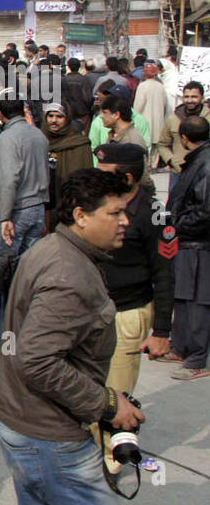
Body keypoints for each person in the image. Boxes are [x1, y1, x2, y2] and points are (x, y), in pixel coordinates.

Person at [0, 169, 140, 505]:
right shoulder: (69, 273)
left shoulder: (54, 249)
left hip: (19, 417)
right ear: (81, 216)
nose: (125, 221)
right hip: (47, 432)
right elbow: (37, 359)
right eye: (115, 212)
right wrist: (108, 404)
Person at [92, 143, 175, 392]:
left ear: (127, 178)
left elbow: (165, 273)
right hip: (90, 311)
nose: (98, 178)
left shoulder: (155, 215)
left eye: (105, 173)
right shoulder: (93, 205)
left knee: (115, 399)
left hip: (127, 314)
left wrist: (161, 331)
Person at [166, 115, 210, 380]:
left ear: (183, 138)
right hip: (186, 240)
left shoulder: (205, 163)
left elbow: (206, 211)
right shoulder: (197, 160)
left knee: (197, 300)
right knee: (182, 296)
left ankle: (197, 358)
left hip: (199, 242)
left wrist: (180, 223)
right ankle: (181, 347)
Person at [0, 94, 50, 255]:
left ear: (1, 114)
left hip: (18, 210)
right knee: (30, 263)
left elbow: (9, 180)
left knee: (6, 263)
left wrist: (5, 216)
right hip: (38, 207)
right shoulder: (38, 135)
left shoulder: (7, 138)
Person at [42, 101, 93, 232]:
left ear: (67, 118)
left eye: (59, 117)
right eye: (51, 116)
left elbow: (84, 180)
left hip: (69, 207)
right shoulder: (39, 139)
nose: (54, 120)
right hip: (44, 206)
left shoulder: (78, 143)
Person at [155, 80, 204, 189]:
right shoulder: (174, 118)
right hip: (178, 172)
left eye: (194, 97)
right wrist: (172, 160)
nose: (190, 100)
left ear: (202, 97)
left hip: (203, 173)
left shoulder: (208, 118)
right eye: (186, 97)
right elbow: (163, 144)